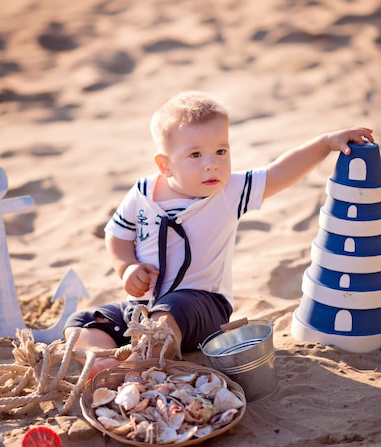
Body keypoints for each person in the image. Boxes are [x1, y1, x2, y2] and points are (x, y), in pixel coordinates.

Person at [64, 90, 373, 376]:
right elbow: (117, 235)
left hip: (201, 306)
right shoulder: (143, 193)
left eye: (221, 151)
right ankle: (101, 360)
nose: (212, 165)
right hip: (142, 306)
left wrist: (324, 143)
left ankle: (137, 366)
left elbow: (280, 171)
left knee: (167, 317)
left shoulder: (230, 192)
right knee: (82, 322)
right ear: (165, 165)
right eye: (196, 155)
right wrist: (126, 267)